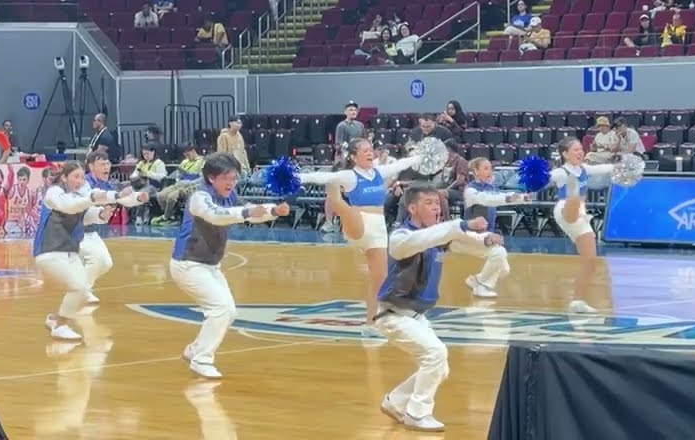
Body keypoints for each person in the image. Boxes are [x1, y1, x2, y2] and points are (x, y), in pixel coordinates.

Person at [358, 183, 498, 432]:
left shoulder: (439, 237)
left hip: (416, 315)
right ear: (412, 208)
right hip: (392, 314)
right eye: (429, 203)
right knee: (435, 354)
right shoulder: (401, 237)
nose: (436, 207)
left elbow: (461, 240)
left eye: (437, 203)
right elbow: (427, 238)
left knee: (440, 368)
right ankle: (417, 413)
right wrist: (460, 225)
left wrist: (485, 239)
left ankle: (396, 402)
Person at [170, 152, 290, 378]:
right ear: (211, 178)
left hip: (210, 266)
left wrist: (273, 210)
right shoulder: (199, 197)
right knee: (221, 309)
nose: (231, 183)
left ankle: (194, 349)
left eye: (234, 178)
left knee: (229, 311)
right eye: (226, 178)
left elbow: (250, 211)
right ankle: (201, 359)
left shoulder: (231, 196)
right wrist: (246, 212)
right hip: (188, 265)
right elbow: (217, 216)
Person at [299, 140, 425, 325]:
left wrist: (421, 157)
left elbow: (400, 164)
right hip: (358, 222)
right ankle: (336, 207)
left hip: (378, 229)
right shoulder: (350, 175)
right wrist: (297, 177)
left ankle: (371, 323)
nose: (369, 153)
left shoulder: (378, 172)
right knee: (335, 187)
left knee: (379, 279)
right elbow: (321, 176)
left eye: (370, 150)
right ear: (353, 157)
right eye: (364, 150)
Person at [34, 162, 127, 341]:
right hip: (49, 251)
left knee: (82, 290)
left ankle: (56, 320)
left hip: (70, 252)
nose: (79, 181)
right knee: (79, 287)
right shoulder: (54, 192)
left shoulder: (77, 197)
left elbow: (85, 215)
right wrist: (91, 199)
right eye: (75, 176)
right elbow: (69, 206)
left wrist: (100, 215)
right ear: (64, 177)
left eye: (82, 177)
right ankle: (59, 323)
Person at [548, 139, 616, 313]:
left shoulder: (584, 169)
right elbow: (548, 177)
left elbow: (602, 168)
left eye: (581, 149)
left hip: (580, 216)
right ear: (564, 154)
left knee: (591, 260)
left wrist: (620, 166)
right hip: (565, 209)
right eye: (575, 149)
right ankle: (574, 196)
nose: (580, 152)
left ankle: (577, 301)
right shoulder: (561, 172)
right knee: (574, 193)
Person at [80, 151, 147, 303]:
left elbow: (121, 197)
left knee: (105, 263)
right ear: (91, 166)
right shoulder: (84, 183)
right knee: (94, 260)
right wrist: (117, 196)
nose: (106, 167)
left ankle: (81, 288)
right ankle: (81, 291)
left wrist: (138, 198)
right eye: (102, 164)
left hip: (90, 231)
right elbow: (97, 198)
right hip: (73, 231)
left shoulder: (108, 183)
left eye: (108, 163)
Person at [459, 158, 525, 297]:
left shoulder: (491, 188)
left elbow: (501, 196)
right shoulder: (470, 190)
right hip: (471, 235)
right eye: (485, 168)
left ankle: (477, 282)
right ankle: (480, 283)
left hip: (487, 235)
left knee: (504, 269)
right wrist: (510, 198)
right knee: (499, 253)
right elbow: (489, 199)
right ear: (476, 171)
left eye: (490, 168)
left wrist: (523, 197)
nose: (490, 171)